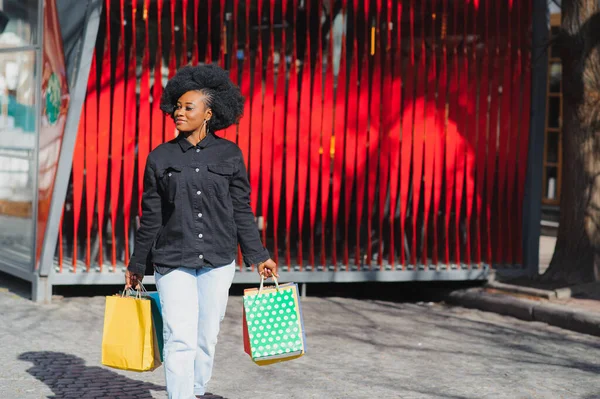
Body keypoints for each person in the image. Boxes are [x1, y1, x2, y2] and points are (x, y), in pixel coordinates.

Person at [125, 64, 278, 399]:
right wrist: (138, 265)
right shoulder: (160, 157)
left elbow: (241, 209)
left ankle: (194, 389)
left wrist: (259, 255)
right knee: (179, 334)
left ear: (209, 113)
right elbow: (150, 216)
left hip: (218, 259)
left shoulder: (230, 154)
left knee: (206, 336)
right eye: (177, 106)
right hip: (172, 259)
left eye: (187, 107)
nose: (179, 112)